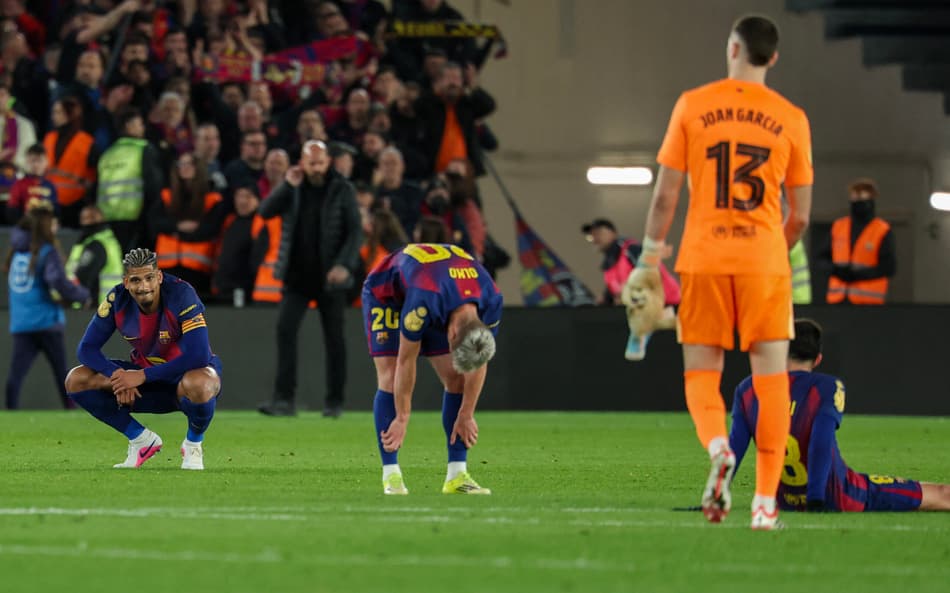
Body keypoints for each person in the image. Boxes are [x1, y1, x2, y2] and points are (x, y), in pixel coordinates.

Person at [624, 15, 813, 530]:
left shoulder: (693, 104)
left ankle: (718, 447)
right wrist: (772, 250)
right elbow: (800, 216)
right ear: (773, 57)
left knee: (701, 376)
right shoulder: (792, 118)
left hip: (703, 258)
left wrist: (649, 258)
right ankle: (765, 504)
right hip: (764, 264)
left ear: (733, 49)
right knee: (772, 382)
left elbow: (665, 195)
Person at [730, 318, 950, 512]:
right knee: (942, 494)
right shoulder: (826, 387)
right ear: (818, 359)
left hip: (782, 500)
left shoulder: (749, 389)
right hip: (839, 494)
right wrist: (815, 499)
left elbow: (734, 448)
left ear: (781, 351)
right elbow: (820, 441)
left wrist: (717, 492)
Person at [363, 242, 502, 495]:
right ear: (451, 334)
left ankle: (457, 476)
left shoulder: (491, 300)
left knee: (456, 379)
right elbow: (406, 360)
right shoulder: (422, 304)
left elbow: (479, 358)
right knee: (390, 377)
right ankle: (391, 476)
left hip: (439, 291)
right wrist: (402, 417)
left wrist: (467, 413)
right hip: (388, 295)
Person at [64, 248, 222, 470]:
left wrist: (141, 376)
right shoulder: (117, 300)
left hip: (183, 381)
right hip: (146, 383)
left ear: (159, 277)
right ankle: (140, 440)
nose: (144, 286)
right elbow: (86, 349)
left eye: (149, 278)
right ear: (126, 282)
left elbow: (199, 355)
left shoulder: (181, 294)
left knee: (201, 382)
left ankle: (193, 445)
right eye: (136, 280)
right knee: (76, 379)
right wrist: (118, 376)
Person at [256, 140, 362, 417]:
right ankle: (283, 400)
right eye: (311, 163)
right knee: (285, 330)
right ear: (302, 163)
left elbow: (355, 231)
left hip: (330, 278)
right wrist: (286, 185)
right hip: (297, 277)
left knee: (334, 339)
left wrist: (344, 265)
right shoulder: (293, 187)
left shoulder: (342, 188)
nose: (316, 168)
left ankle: (335, 402)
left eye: (320, 162)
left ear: (328, 162)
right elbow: (265, 211)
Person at [5, 203, 90, 409]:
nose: (56, 226)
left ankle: (8, 415)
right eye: (53, 223)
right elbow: (58, 282)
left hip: (22, 323)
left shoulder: (16, 253)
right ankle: (71, 411)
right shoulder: (46, 251)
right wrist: (82, 295)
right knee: (62, 374)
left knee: (16, 375)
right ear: (44, 226)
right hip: (47, 322)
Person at [823, 178, 896, 305]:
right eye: (855, 196)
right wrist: (837, 271)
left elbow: (889, 267)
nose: (858, 201)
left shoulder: (881, 230)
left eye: (862, 196)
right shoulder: (839, 227)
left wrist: (858, 275)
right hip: (838, 299)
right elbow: (821, 259)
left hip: (868, 302)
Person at [65, 204, 124, 304]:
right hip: (109, 303)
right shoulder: (107, 240)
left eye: (85, 218)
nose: (82, 222)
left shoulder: (96, 245)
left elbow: (84, 276)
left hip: (96, 305)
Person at [6, 143, 56, 224]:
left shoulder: (50, 186)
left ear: (46, 162)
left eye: (39, 160)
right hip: (25, 227)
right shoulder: (19, 185)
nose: (36, 165)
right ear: (26, 162)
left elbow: (55, 211)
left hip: (45, 227)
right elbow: (12, 210)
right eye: (32, 161)